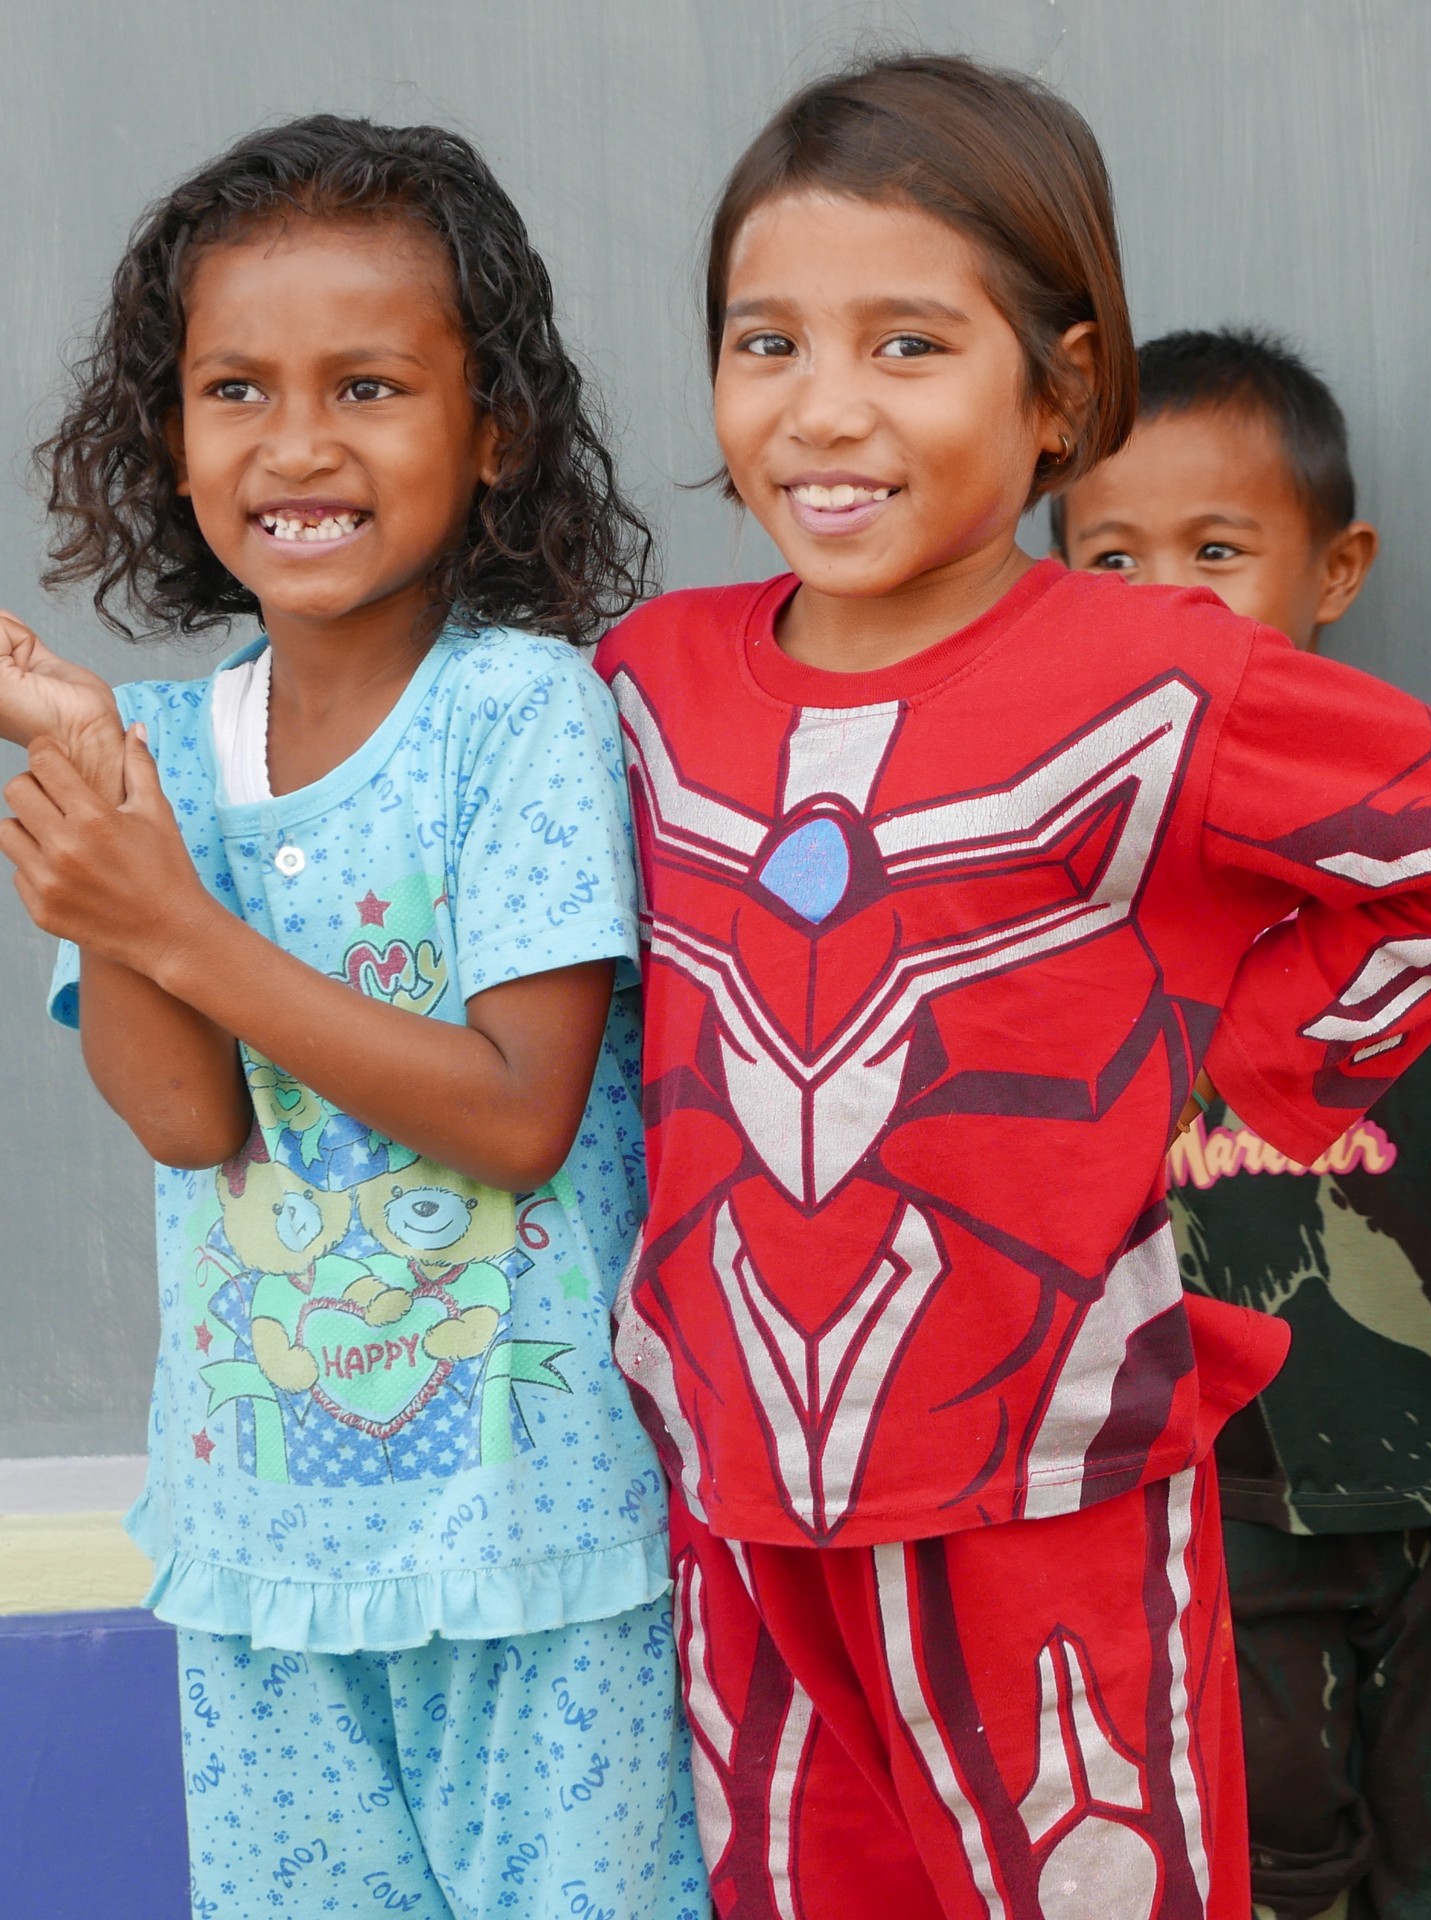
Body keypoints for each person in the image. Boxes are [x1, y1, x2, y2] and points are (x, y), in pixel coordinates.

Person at [592, 58, 1431, 1920]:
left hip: (1051, 1482)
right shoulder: (647, 682)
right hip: (742, 1498)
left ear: (1058, 391)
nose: (822, 410)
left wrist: (1245, 1093)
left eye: (905, 346)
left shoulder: (1151, 675)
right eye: (766, 342)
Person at [0, 118, 703, 1919]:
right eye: (235, 388)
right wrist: (98, 798)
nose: (296, 444)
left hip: (537, 1541)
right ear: (169, 435)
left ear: (495, 434)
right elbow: (185, 1120)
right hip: (261, 1556)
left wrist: (171, 916)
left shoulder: (521, 715)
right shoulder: (152, 753)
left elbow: (515, 1112)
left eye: (370, 386)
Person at [1057, 327, 1431, 1920]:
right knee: (1264, 1861)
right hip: (1209, 1482)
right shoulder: (1060, 882)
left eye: (1218, 550)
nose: (1166, 597)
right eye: (1111, 557)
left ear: (1337, 568)